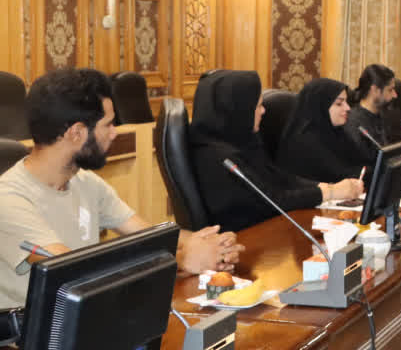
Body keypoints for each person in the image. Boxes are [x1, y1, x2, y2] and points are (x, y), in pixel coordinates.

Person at [0, 68, 245, 310]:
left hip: (89, 316)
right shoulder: (8, 200)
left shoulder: (85, 182)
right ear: (76, 133)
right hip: (33, 332)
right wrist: (181, 259)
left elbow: (148, 237)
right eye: (108, 125)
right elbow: (73, 274)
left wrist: (213, 246)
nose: (114, 133)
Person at [189, 70, 362, 233]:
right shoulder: (217, 158)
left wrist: (321, 186)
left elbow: (277, 176)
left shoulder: (243, 141)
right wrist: (328, 193)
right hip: (249, 237)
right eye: (258, 106)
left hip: (271, 228)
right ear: (238, 110)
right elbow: (271, 200)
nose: (264, 111)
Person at [276, 78, 369, 184]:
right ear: (321, 106)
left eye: (346, 102)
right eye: (339, 103)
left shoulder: (338, 132)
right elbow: (344, 176)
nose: (348, 108)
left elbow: (363, 163)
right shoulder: (305, 142)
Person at [345, 63, 397, 153]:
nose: (395, 95)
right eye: (390, 90)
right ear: (375, 90)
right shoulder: (353, 123)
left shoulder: (385, 115)